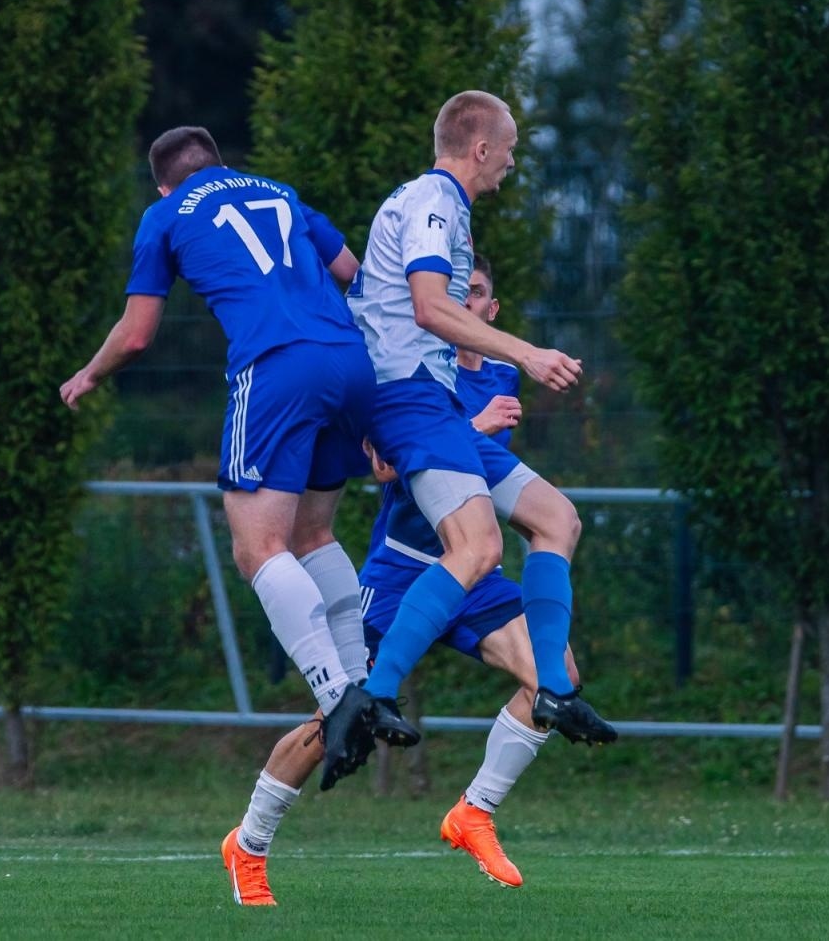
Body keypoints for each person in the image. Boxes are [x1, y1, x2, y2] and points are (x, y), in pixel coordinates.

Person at [221, 262, 589, 904]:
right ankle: (248, 843)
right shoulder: (405, 375)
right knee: (339, 718)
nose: (461, 301)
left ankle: (474, 811)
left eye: (472, 292)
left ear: (491, 309)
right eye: (451, 292)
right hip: (400, 578)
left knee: (557, 676)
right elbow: (385, 467)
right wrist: (472, 432)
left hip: (474, 576)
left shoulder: (497, 376)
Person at [60, 127, 416, 789]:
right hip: (349, 358)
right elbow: (355, 273)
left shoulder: (164, 214)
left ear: (164, 182)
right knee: (313, 535)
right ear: (219, 162)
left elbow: (137, 334)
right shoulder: (280, 193)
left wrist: (88, 373)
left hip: (277, 365)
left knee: (258, 549)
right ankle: (368, 689)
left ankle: (337, 696)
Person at [343, 90, 615, 763]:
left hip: (429, 403)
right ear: (482, 148)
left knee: (558, 519)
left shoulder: (441, 209)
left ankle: (552, 686)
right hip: (409, 397)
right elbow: (431, 309)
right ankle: (376, 692)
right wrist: (527, 351)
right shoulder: (435, 202)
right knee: (479, 548)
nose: (515, 163)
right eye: (512, 149)